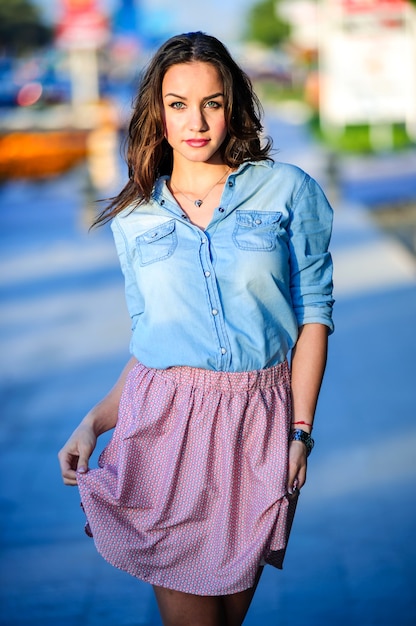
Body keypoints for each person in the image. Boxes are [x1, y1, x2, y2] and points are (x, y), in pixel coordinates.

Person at [58, 31, 334, 626]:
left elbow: (315, 314)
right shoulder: (134, 217)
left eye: (211, 102)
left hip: (258, 424)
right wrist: (93, 421)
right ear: (158, 114)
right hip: (164, 430)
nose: (197, 121)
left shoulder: (287, 190)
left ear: (231, 104)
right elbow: (150, 346)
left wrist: (300, 431)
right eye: (178, 104)